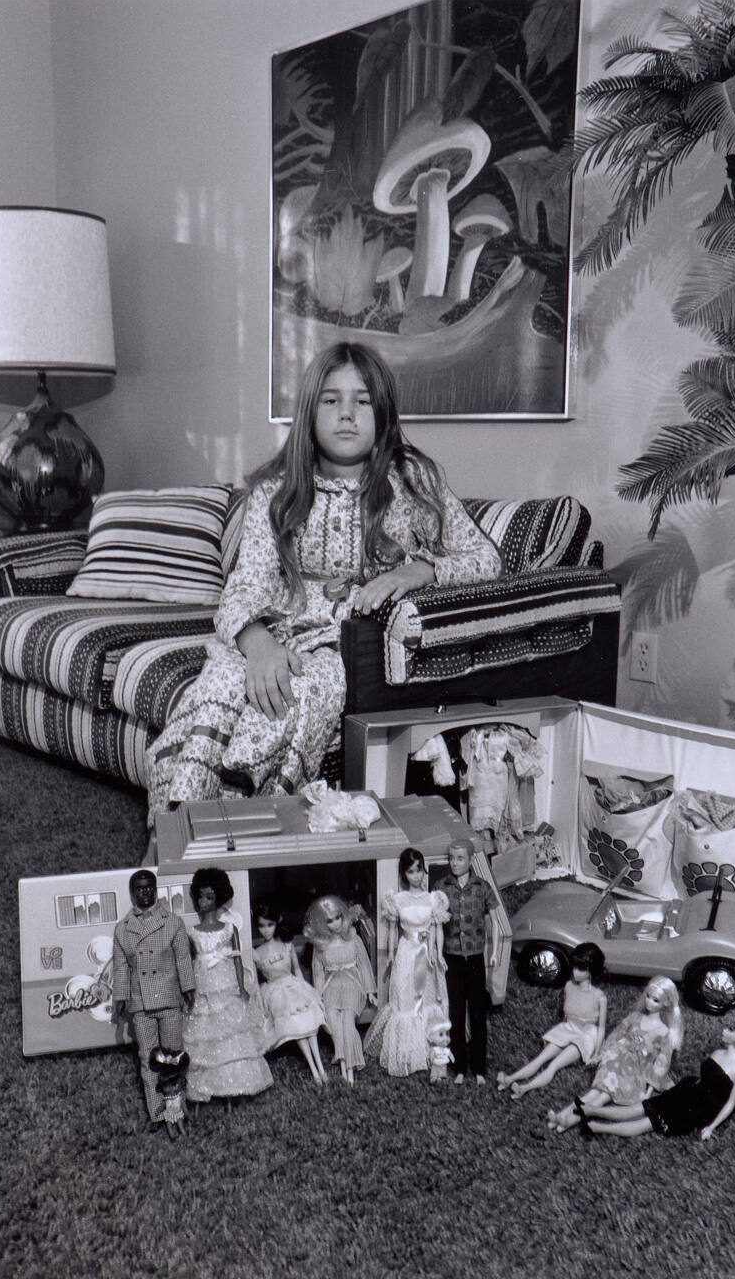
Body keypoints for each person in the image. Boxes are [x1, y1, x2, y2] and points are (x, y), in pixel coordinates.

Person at [147, 340, 501, 819]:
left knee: (296, 692)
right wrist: (258, 645)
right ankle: (176, 823)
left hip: (350, 648)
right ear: (310, 413)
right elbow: (244, 586)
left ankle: (245, 820)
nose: (347, 414)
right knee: (222, 681)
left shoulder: (413, 480)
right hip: (275, 635)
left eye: (363, 401)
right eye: (331, 400)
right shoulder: (275, 491)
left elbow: (485, 559)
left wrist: (422, 570)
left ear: (384, 414)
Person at [572, 1008, 735, 1140]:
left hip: (699, 1109)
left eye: (730, 1030)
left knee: (648, 1122)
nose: (724, 1031)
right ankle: (590, 1110)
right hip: (688, 1092)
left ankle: (595, 1127)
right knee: (641, 1108)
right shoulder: (717, 1053)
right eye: (725, 1026)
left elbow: (730, 1103)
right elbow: (705, 1079)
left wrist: (711, 1127)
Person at [112, 869, 196, 1131]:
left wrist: (188, 986)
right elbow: (121, 966)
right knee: (148, 1058)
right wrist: (121, 996)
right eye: (140, 889)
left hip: (168, 999)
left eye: (149, 887)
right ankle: (157, 1112)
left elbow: (183, 958)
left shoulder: (172, 922)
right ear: (132, 893)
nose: (145, 892)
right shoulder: (123, 929)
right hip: (141, 1004)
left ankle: (178, 1108)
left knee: (173, 1056)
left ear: (156, 890)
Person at [547, 974, 683, 1133]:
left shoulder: (664, 1033)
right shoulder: (635, 1017)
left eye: (655, 1000)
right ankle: (561, 1116)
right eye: (647, 996)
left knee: (602, 1097)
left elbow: (661, 1064)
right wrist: (603, 1054)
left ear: (666, 1004)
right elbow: (616, 1035)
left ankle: (567, 1121)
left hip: (632, 1072)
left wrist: (648, 1092)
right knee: (593, 1093)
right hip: (614, 1062)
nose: (648, 1002)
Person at [183, 867, 273, 1104]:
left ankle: (236, 1086)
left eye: (209, 897)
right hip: (204, 984)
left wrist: (242, 987)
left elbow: (237, 960)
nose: (203, 902)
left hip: (227, 982)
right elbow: (190, 962)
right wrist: (189, 989)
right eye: (200, 897)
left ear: (219, 898)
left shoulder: (229, 929)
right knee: (208, 1034)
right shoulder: (192, 932)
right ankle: (211, 1086)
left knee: (233, 1034)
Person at [364, 847, 450, 1076]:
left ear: (424, 870)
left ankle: (428, 1051)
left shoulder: (433, 899)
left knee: (427, 999)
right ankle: (405, 1054)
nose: (416, 876)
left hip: (425, 953)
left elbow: (437, 929)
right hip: (405, 952)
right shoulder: (397, 900)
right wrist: (391, 955)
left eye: (419, 870)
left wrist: (438, 953)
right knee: (404, 1000)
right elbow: (393, 931)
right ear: (404, 874)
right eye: (411, 871)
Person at [497, 942, 606, 1098]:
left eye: (580, 968)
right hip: (569, 1028)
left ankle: (524, 1088)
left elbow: (601, 1028)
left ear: (590, 971)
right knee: (541, 1058)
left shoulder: (599, 997)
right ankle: (510, 1079)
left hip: (587, 1034)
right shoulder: (569, 987)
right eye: (575, 966)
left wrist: (596, 1053)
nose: (575, 971)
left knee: (554, 1065)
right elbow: (567, 1014)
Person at [439, 838, 498, 1085]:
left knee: (477, 1012)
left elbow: (494, 920)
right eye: (451, 858)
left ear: (471, 860)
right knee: (455, 1011)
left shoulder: (482, 887)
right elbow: (436, 923)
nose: (454, 863)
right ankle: (460, 1067)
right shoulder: (441, 887)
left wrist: (493, 951)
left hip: (475, 958)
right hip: (451, 957)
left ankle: (479, 1068)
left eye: (460, 858)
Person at [253, 899, 328, 1084]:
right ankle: (314, 1070)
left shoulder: (287, 945)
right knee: (297, 1024)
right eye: (261, 926)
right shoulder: (256, 953)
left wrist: (305, 990)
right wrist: (262, 1007)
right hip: (275, 992)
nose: (266, 930)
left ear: (277, 922)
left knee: (308, 1019)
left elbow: (297, 969)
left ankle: (320, 1067)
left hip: (293, 984)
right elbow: (255, 983)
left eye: (269, 925)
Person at [304, 894, 377, 1085]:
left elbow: (364, 965)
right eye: (329, 921)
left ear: (344, 916)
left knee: (347, 1021)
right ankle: (343, 1063)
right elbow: (318, 974)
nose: (336, 924)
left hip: (353, 983)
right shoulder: (320, 945)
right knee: (332, 1019)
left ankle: (350, 1068)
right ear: (321, 923)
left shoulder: (354, 938)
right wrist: (318, 997)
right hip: (331, 985)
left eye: (338, 918)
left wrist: (370, 991)